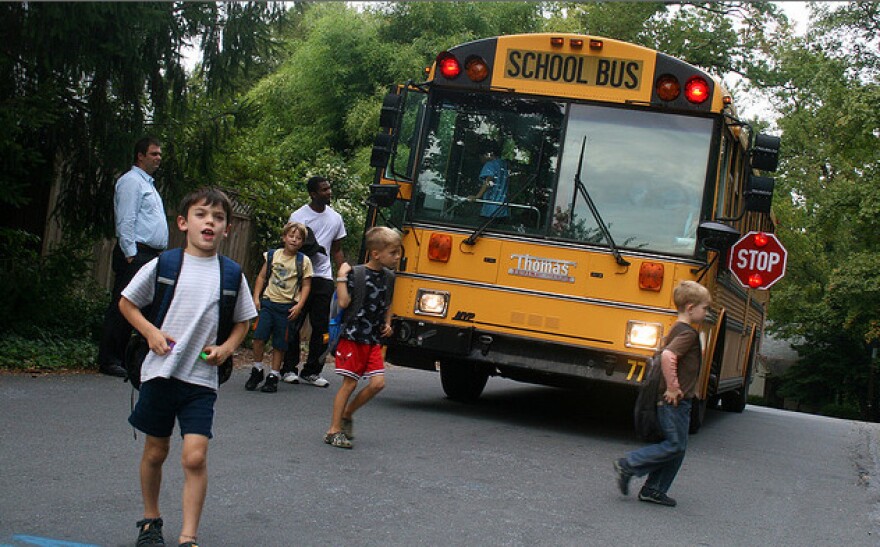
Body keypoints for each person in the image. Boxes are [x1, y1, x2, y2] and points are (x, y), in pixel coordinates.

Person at [119, 188, 257, 547]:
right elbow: (127, 303)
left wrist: (227, 348)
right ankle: (150, 521)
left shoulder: (231, 274)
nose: (209, 221)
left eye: (218, 217)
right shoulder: (164, 265)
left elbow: (244, 321)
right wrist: (150, 332)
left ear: (227, 229)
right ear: (183, 223)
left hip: (200, 380)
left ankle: (188, 537)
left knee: (195, 456)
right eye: (201, 214)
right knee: (155, 451)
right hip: (159, 375)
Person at [613, 280, 712, 507]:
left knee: (678, 448)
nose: (706, 313)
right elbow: (668, 356)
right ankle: (629, 464)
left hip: (678, 400)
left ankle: (654, 489)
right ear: (690, 308)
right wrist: (673, 386)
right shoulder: (688, 334)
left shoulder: (677, 328)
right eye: (704, 308)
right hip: (675, 401)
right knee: (675, 445)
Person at [323, 227, 401, 449]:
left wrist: (388, 323)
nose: (397, 257)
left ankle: (348, 413)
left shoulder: (388, 277)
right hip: (353, 337)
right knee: (349, 383)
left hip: (372, 339)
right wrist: (341, 276)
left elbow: (387, 303)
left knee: (378, 384)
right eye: (393, 252)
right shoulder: (356, 274)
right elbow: (344, 303)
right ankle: (333, 430)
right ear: (376, 253)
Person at [97, 137, 168, 377]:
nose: (159, 158)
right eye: (154, 154)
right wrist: (130, 255)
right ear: (140, 155)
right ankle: (109, 359)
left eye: (159, 154)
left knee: (141, 307)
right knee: (123, 305)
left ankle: (128, 357)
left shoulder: (148, 184)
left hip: (150, 255)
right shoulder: (131, 182)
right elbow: (126, 220)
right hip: (136, 253)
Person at [280, 176, 348, 388]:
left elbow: (336, 249)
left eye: (329, 188)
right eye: (324, 189)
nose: (329, 192)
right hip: (299, 276)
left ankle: (312, 371)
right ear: (313, 194)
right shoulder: (299, 216)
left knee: (320, 326)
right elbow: (289, 246)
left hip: (323, 277)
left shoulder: (336, 218)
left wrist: (342, 276)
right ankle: (289, 368)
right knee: (294, 321)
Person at [245, 221, 313, 393]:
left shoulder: (303, 261)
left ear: (302, 242)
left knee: (279, 343)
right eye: (291, 236)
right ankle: (257, 369)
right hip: (268, 303)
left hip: (287, 307)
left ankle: (274, 375)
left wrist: (299, 305)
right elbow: (261, 277)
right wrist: (256, 297)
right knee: (259, 337)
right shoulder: (272, 256)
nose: (294, 240)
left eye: (299, 238)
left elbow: (306, 285)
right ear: (284, 237)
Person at [468, 144, 509, 219]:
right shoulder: (503, 164)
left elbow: (488, 182)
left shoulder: (490, 165)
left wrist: (477, 197)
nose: (481, 160)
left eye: (481, 157)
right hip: (503, 210)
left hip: (490, 209)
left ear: (487, 154)